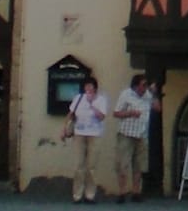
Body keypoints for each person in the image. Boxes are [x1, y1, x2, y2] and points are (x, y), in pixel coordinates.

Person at [64, 73, 108, 203]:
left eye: (90, 86)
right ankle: (77, 195)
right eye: (86, 86)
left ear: (95, 88)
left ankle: (90, 195)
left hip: (95, 134)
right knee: (79, 165)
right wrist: (64, 128)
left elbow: (102, 117)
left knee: (91, 166)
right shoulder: (78, 98)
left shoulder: (101, 100)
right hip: (79, 133)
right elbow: (71, 114)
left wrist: (92, 105)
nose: (88, 89)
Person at [113, 73, 157, 203]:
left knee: (139, 165)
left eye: (147, 85)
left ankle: (136, 192)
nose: (145, 87)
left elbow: (157, 108)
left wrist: (154, 94)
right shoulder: (126, 94)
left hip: (142, 134)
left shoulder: (148, 95)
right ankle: (122, 192)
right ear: (136, 86)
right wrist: (130, 113)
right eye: (143, 85)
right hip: (126, 134)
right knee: (123, 164)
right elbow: (116, 113)